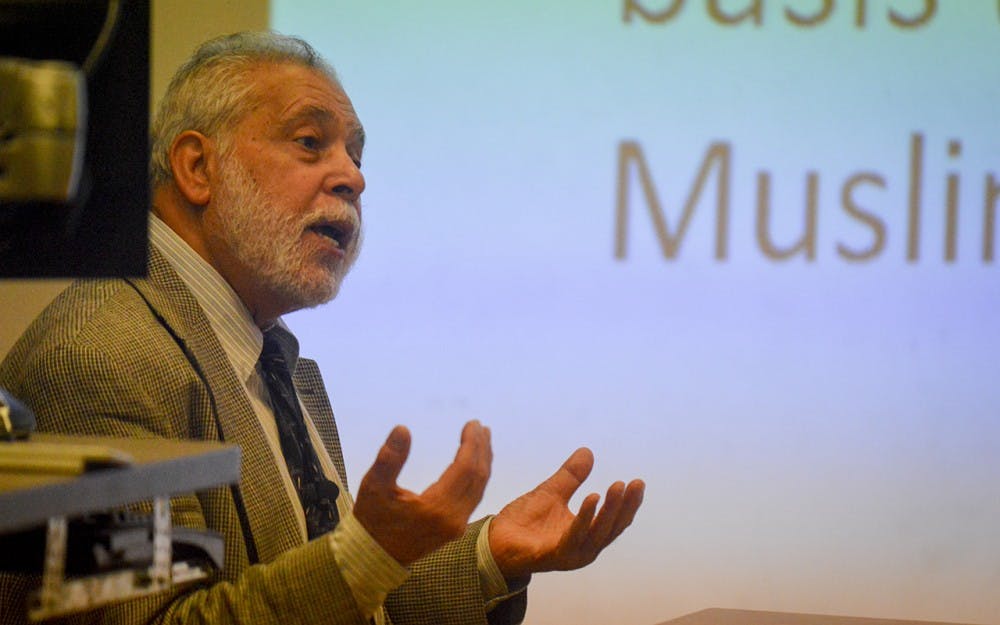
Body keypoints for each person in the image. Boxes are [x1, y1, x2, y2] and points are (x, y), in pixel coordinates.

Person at [0, 31, 644, 625]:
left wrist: (490, 554)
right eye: (311, 143)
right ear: (197, 168)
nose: (354, 178)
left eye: (355, 154)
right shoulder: (99, 356)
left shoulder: (273, 361)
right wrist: (362, 557)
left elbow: (342, 602)